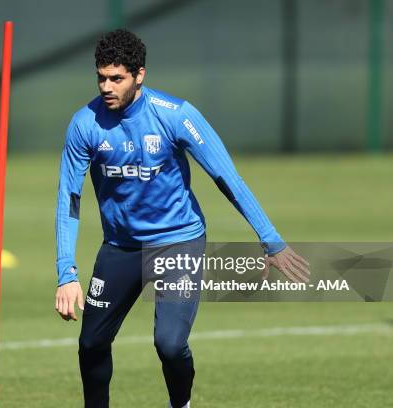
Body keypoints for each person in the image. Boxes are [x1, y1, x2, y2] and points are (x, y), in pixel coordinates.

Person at [54, 29, 309, 408]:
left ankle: (181, 405)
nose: (107, 86)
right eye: (101, 77)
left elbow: (228, 179)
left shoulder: (177, 116)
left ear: (139, 75)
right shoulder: (84, 124)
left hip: (178, 241)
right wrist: (66, 273)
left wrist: (270, 240)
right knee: (91, 342)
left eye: (116, 78)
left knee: (170, 345)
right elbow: (69, 199)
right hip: (120, 247)